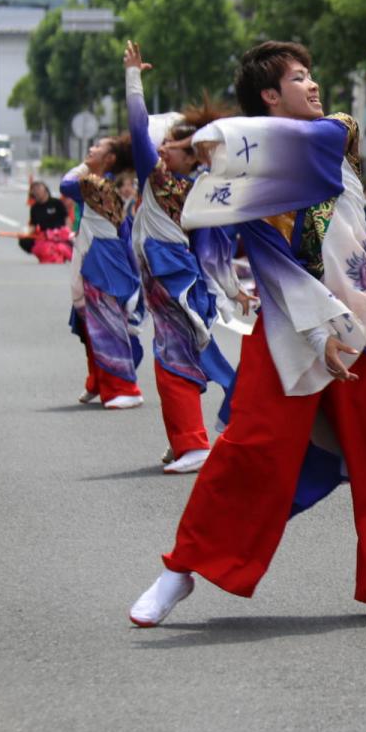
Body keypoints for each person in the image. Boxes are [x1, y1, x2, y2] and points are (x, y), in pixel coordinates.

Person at [129, 40, 366, 627]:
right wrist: (319, 328)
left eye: (310, 73)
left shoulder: (335, 133)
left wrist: (220, 139)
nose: (313, 85)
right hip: (291, 322)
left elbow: (292, 143)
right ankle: (181, 569)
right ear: (270, 95)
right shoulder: (249, 187)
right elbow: (273, 266)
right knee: (250, 450)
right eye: (299, 79)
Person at [123, 41, 239, 475]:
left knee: (173, 358)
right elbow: (216, 245)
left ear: (190, 155)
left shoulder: (168, 179)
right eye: (165, 143)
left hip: (173, 277)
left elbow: (137, 129)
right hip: (170, 277)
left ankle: (194, 443)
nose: (162, 148)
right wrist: (231, 287)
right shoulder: (196, 187)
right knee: (172, 354)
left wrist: (133, 78)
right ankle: (184, 441)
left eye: (173, 144)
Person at [61, 136, 146, 409]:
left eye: (98, 147)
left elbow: (66, 183)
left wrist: (85, 166)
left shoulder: (97, 184)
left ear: (109, 159)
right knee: (88, 321)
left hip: (102, 258)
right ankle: (98, 380)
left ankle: (125, 387)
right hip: (95, 252)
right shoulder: (104, 184)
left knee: (106, 323)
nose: (91, 149)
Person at [18, 181, 73, 264]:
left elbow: (67, 218)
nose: (36, 191)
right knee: (24, 241)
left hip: (60, 234)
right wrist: (25, 234)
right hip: (44, 235)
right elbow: (33, 225)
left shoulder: (56, 203)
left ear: (45, 190)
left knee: (67, 244)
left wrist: (69, 233)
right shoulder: (34, 208)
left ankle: (58, 252)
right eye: (34, 190)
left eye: (38, 188)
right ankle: (47, 253)